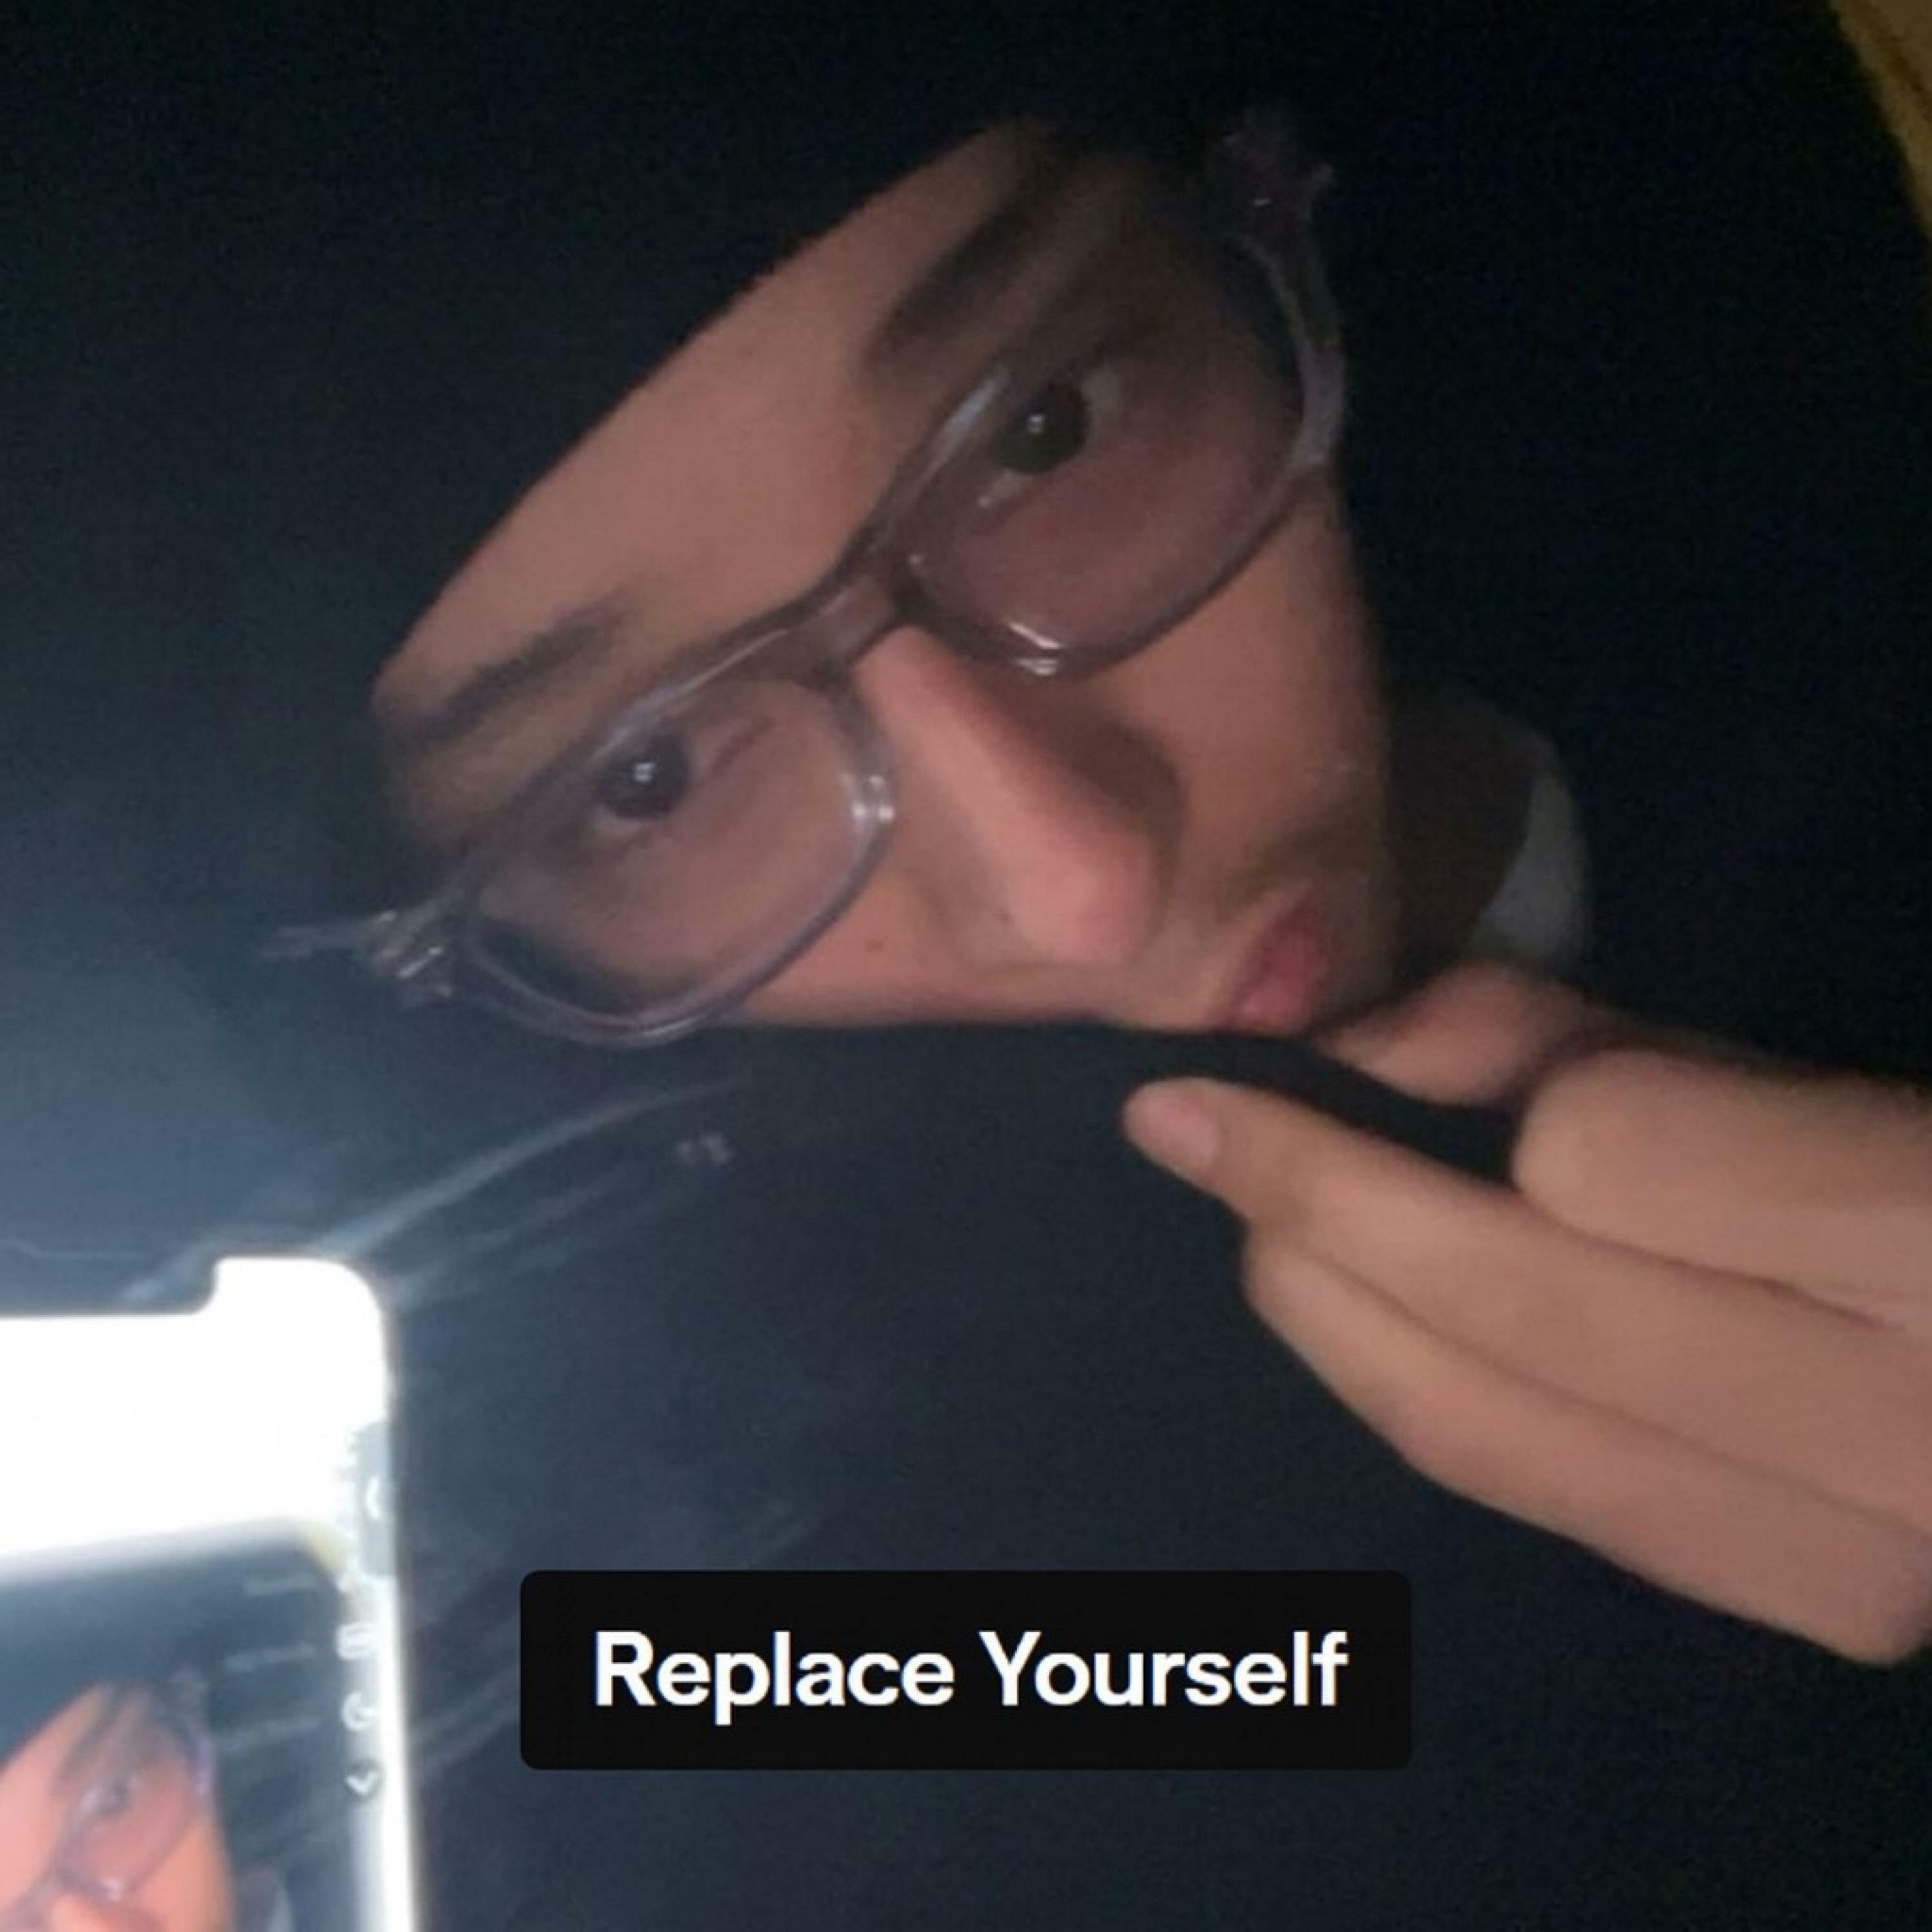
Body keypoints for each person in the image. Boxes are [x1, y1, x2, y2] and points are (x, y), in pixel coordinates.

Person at [236, 17, 1928, 1664]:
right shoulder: (734, 1618)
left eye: (1039, 433)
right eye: (650, 779)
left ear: (1264, 228)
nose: (1087, 892)